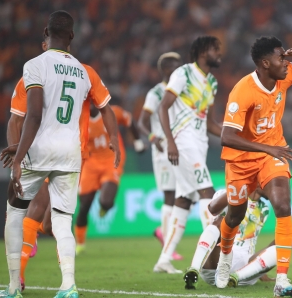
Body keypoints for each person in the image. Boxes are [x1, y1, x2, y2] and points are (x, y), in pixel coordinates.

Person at [0, 10, 121, 298]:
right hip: (71, 152)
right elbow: (105, 108)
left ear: (45, 34)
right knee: (62, 220)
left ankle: (14, 286)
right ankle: (68, 286)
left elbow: (34, 114)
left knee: (15, 212)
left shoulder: (35, 65)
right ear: (72, 37)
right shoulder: (83, 70)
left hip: (39, 148)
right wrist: (114, 138)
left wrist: (19, 156)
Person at [216, 36, 292, 297]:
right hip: (241, 161)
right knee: (234, 215)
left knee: (282, 205)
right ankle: (224, 258)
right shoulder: (242, 91)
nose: (287, 62)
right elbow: (227, 136)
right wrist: (268, 148)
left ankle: (281, 280)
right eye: (281, 58)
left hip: (272, 155)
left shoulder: (285, 75)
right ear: (265, 63)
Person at [154, 36, 223, 274]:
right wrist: (170, 142)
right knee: (208, 193)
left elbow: (210, 122)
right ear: (204, 51)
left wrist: (234, 135)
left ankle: (164, 258)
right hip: (182, 143)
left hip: (199, 144)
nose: (219, 53)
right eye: (216, 49)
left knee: (183, 200)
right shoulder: (183, 73)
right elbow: (163, 106)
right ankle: (214, 254)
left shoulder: (212, 82)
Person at [74, 101, 145, 254]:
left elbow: (129, 120)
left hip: (112, 160)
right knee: (84, 206)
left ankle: (105, 207)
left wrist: (138, 142)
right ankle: (80, 243)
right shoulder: (79, 118)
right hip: (91, 163)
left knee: (105, 201)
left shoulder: (112, 112)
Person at [183, 188, 280, 289]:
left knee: (286, 242)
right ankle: (194, 269)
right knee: (219, 221)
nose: (275, 188)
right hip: (217, 262)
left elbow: (251, 242)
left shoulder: (264, 209)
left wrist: (261, 269)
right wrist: (237, 190)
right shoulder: (228, 194)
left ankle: (237, 276)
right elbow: (213, 210)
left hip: (244, 270)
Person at [137, 52, 183, 260]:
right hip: (163, 152)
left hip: (181, 148)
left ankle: (164, 234)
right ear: (165, 69)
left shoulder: (181, 90)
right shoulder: (155, 93)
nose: (179, 69)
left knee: (181, 197)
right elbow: (141, 122)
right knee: (169, 196)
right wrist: (153, 137)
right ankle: (167, 244)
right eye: (174, 66)